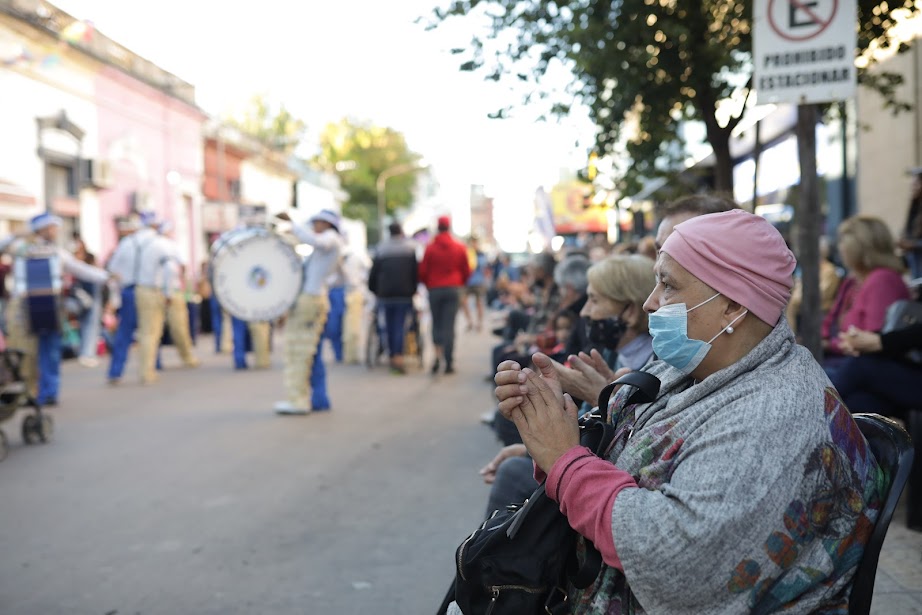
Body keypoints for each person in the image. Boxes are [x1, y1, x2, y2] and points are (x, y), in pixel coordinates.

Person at [474, 209, 885, 614]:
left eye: (668, 285)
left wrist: (565, 461)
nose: (650, 303)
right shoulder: (693, 363)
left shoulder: (774, 418)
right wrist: (549, 419)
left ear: (733, 306)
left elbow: (675, 564)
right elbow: (616, 441)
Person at [481, 253, 656, 516]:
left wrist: (605, 400)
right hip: (586, 468)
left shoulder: (653, 367)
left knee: (511, 474)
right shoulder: (612, 352)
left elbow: (636, 456)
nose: (584, 312)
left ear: (630, 311)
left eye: (594, 300)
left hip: (612, 494)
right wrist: (533, 450)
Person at [1, 213, 113, 405]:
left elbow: (80, 269)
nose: (55, 231)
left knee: (51, 351)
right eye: (52, 228)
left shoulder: (56, 252)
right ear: (41, 229)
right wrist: (17, 234)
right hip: (23, 307)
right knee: (25, 353)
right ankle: (30, 393)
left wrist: (106, 277)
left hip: (51, 306)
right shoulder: (20, 247)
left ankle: (49, 393)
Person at [273, 209, 344, 415]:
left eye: (317, 222)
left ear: (326, 224)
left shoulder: (330, 238)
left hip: (311, 299)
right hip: (312, 298)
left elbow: (315, 240)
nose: (314, 226)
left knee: (299, 351)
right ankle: (317, 399)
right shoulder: (324, 245)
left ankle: (298, 400)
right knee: (310, 353)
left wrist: (292, 224)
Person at [821, 215, 909, 375]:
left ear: (859, 248)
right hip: (842, 362)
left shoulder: (882, 279)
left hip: (861, 368)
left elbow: (870, 340)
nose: (840, 248)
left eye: (843, 241)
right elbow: (830, 321)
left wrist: (827, 344)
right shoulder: (852, 281)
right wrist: (822, 340)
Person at [105, 211, 173, 385]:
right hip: (149, 290)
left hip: (128, 291)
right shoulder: (160, 243)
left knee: (124, 333)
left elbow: (113, 269)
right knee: (150, 332)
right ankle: (147, 370)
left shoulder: (127, 242)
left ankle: (115, 371)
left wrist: (115, 294)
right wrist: (168, 293)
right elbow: (170, 269)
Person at [419, 215, 470, 375]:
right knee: (449, 325)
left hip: (435, 289)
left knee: (436, 324)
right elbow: (466, 270)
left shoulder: (430, 248)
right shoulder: (459, 247)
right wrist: (460, 283)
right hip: (453, 288)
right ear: (449, 227)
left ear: (438, 227)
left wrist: (429, 284)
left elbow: (422, 271)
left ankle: (437, 356)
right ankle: (449, 361)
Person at [368, 222, 418, 374]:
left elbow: (373, 274)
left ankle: (392, 355)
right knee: (400, 326)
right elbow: (415, 273)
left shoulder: (381, 249)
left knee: (388, 326)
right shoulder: (409, 249)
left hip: (385, 294)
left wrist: (374, 290)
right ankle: (398, 356)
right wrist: (413, 290)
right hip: (404, 294)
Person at [157, 221, 200, 369]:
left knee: (154, 330)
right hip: (171, 290)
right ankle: (187, 357)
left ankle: (156, 362)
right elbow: (182, 266)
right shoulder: (171, 246)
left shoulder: (152, 245)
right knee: (179, 327)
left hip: (156, 290)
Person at [898, 167, 922, 279]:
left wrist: (912, 245)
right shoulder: (915, 208)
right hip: (916, 270)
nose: (913, 187)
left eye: (916, 183)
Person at [462, 235, 489, 332]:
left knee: (479, 303)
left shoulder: (480, 254)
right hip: (467, 282)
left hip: (478, 282)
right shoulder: (467, 253)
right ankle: (470, 322)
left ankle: (479, 323)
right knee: (464, 302)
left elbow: (481, 266)